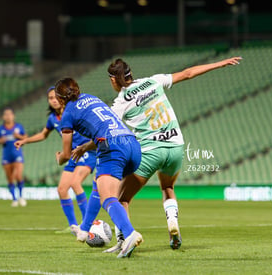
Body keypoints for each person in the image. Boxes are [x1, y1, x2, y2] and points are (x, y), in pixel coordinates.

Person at [73, 56, 242, 252]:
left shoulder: (120, 102)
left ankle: (123, 241)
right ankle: (173, 224)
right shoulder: (153, 80)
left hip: (150, 150)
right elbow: (187, 73)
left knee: (121, 200)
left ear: (113, 80)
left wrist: (84, 147)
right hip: (176, 146)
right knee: (168, 188)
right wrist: (220, 63)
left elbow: (106, 133)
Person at [54, 77, 143, 258]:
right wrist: (85, 147)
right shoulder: (91, 98)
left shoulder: (67, 114)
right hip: (132, 145)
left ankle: (130, 234)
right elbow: (105, 126)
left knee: (108, 198)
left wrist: (60, 158)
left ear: (60, 99)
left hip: (112, 148)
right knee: (98, 183)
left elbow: (65, 153)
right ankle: (84, 230)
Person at [14, 87, 96, 233]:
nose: (53, 100)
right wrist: (24, 141)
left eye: (56, 97)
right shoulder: (53, 119)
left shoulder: (73, 111)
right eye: (50, 98)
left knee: (75, 183)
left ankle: (88, 224)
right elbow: (43, 135)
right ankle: (74, 226)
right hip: (71, 155)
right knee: (62, 189)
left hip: (86, 151)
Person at [0, 107, 28, 207]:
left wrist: (19, 136)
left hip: (17, 154)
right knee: (9, 178)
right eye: (6, 114)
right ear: (3, 117)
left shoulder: (19, 127)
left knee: (18, 175)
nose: (8, 116)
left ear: (13, 116)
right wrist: (1, 140)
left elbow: (26, 138)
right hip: (6, 155)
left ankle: (21, 196)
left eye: (10, 114)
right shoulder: (1, 129)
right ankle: (14, 199)